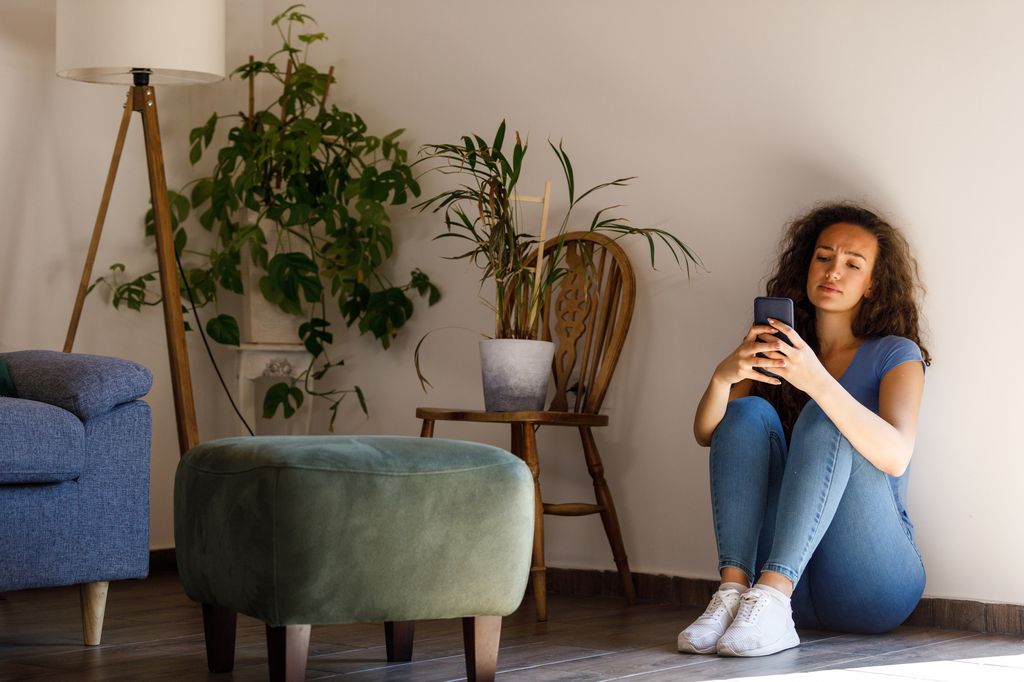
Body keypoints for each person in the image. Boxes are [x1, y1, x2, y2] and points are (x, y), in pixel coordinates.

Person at [678, 203, 930, 657]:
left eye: (853, 264)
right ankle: (733, 591)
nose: (833, 271)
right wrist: (723, 376)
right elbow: (710, 433)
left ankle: (772, 593)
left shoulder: (897, 353)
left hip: (873, 584)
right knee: (749, 413)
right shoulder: (777, 348)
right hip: (791, 593)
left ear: (873, 284)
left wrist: (815, 379)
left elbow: (896, 456)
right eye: (824, 257)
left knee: (825, 416)